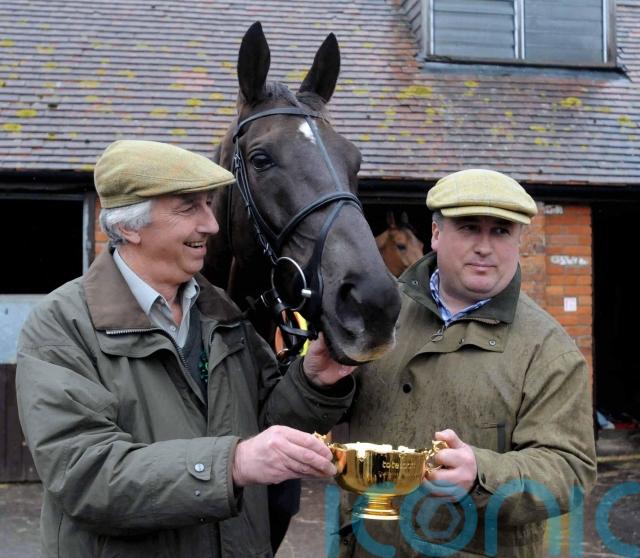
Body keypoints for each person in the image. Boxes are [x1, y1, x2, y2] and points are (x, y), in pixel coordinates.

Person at [16, 139, 357, 558]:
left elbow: (267, 423)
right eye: (188, 207)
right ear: (128, 226)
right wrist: (232, 463)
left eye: (209, 205)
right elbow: (86, 476)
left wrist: (313, 381)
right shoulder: (62, 325)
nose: (211, 224)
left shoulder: (221, 312)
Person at [339, 169, 597, 557]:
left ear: (519, 241)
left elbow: (570, 471)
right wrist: (314, 379)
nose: (484, 247)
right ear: (436, 233)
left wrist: (482, 473)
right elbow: (309, 416)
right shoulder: (377, 313)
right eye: (469, 228)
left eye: (501, 231)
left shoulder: (549, 351)